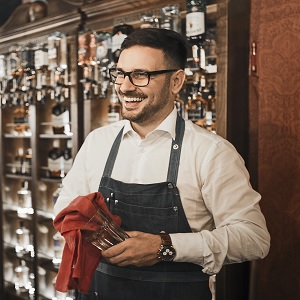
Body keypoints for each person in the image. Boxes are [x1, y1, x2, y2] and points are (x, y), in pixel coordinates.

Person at [54, 28, 270, 300]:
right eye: (120, 74)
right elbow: (64, 209)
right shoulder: (98, 141)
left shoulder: (211, 152)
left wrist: (165, 246)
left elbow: (254, 239)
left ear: (176, 81)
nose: (125, 86)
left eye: (141, 75)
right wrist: (96, 233)